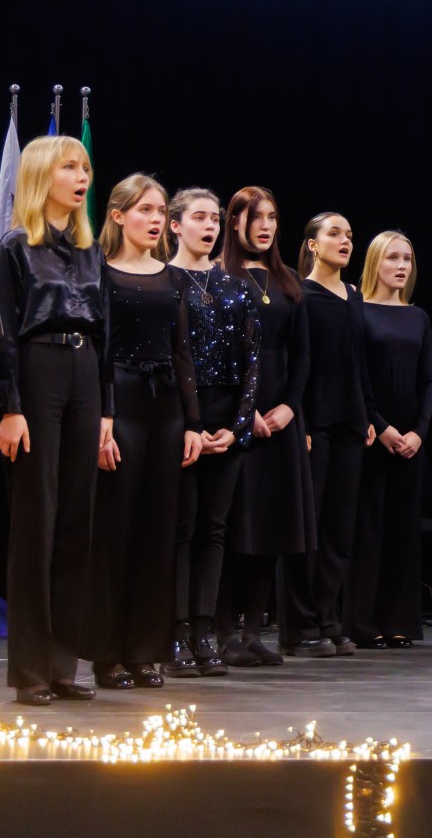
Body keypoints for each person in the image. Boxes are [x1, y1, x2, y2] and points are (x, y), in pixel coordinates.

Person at [0, 135, 112, 704]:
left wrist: (107, 409)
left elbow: (106, 335)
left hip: (84, 373)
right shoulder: (15, 247)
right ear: (43, 175)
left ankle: (63, 665)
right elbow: (2, 334)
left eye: (84, 167)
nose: (82, 176)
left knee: (76, 521)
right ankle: (31, 669)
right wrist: (9, 407)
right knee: (37, 520)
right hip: (37, 373)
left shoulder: (90, 251)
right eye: (69, 167)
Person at [85, 174, 204, 690]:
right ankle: (106, 653)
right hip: (120, 403)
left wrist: (193, 422)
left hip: (166, 407)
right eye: (145, 210)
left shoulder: (172, 277)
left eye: (160, 211)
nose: (156, 219)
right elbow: (99, 349)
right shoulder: (99, 272)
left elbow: (182, 352)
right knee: (116, 531)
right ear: (118, 215)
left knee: (159, 533)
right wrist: (102, 417)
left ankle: (144, 651)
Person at [216, 186, 314, 666]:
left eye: (272, 217)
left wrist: (290, 407)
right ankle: (222, 632)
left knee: (272, 528)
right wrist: (246, 409)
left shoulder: (288, 280)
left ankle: (253, 630)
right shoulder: (218, 276)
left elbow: (303, 354)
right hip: (236, 417)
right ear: (235, 221)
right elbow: (217, 352)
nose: (266, 226)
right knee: (234, 527)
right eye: (256, 217)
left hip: (281, 420)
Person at [166, 187, 260, 678]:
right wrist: (192, 425)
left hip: (226, 416)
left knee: (214, 528)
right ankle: (176, 631)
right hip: (182, 417)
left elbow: (252, 363)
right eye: (199, 217)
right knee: (181, 527)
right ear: (175, 225)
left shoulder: (237, 286)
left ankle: (205, 630)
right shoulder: (164, 281)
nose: (210, 226)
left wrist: (237, 427)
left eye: (215, 219)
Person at [283, 212, 377, 657]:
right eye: (335, 234)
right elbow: (296, 362)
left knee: (340, 528)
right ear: (313, 244)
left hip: (350, 423)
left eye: (350, 235)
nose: (345, 241)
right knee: (308, 528)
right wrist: (299, 419)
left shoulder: (354, 295)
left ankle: (328, 619)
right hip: (314, 423)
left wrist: (367, 413)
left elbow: (359, 360)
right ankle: (299, 627)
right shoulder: (299, 294)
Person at [349, 231, 432, 648]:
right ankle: (363, 623)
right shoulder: (359, 311)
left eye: (407, 259)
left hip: (411, 438)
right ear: (375, 263)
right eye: (392, 258)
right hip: (372, 435)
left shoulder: (418, 317)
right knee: (368, 529)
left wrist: (419, 431)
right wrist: (381, 426)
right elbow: (358, 377)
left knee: (403, 530)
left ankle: (398, 620)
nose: (401, 266)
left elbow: (429, 379)